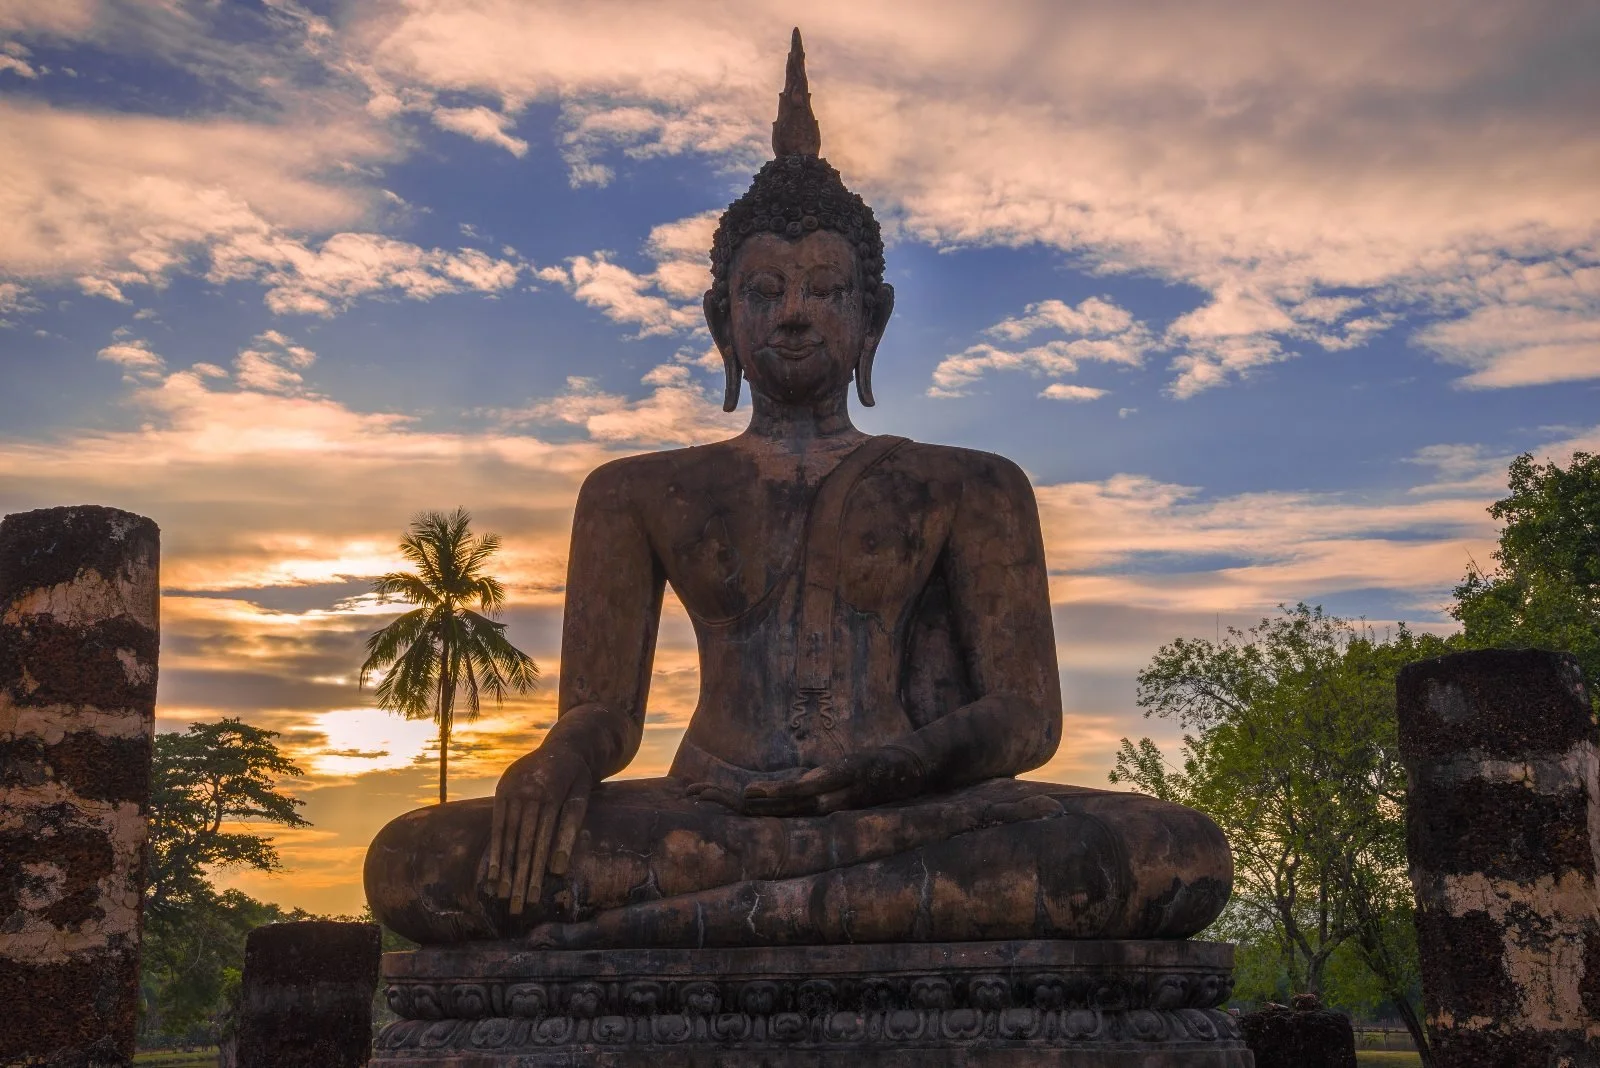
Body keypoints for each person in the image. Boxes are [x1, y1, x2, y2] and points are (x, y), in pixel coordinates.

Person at [365, 30, 1232, 949]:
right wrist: (557, 764)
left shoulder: (970, 486)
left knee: (1173, 851)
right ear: (721, 321)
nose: (793, 312)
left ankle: (699, 924)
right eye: (765, 289)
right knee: (416, 865)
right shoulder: (635, 493)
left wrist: (900, 769)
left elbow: (1025, 718)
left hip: (909, 810)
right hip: (710, 812)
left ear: (872, 316)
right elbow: (605, 716)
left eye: (824, 287)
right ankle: (786, 907)